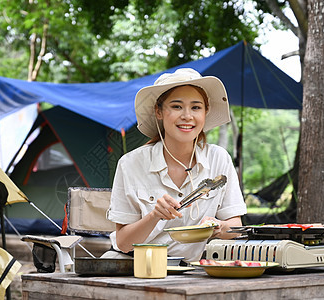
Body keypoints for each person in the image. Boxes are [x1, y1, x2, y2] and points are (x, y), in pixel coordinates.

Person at [103, 68, 246, 263]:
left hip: (190, 271)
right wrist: (154, 215)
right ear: (159, 112)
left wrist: (218, 226)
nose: (187, 116)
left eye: (196, 107)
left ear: (206, 112)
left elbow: (236, 226)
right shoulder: (131, 164)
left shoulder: (219, 158)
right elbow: (123, 243)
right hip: (133, 266)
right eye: (177, 106)